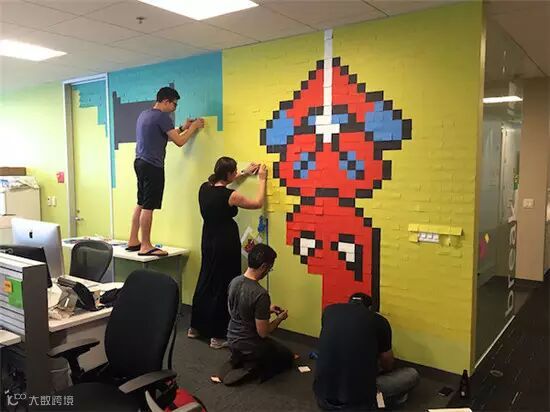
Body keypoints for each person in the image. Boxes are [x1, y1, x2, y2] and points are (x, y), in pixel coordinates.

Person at [188, 157, 267, 349]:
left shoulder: (204, 188)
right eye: (235, 171)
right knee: (224, 284)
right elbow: (257, 203)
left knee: (206, 279)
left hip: (208, 238)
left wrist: (244, 173)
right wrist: (262, 179)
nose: (237, 173)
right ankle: (217, 335)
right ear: (229, 174)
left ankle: (195, 327)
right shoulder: (231, 196)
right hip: (224, 242)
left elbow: (222, 184)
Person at [127, 86, 204, 256]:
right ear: (166, 101)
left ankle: (133, 240)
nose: (175, 108)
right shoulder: (162, 117)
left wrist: (183, 127)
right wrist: (194, 127)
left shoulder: (145, 114)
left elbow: (164, 135)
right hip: (153, 165)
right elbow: (179, 142)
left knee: (141, 202)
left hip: (140, 162)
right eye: (174, 104)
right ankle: (146, 245)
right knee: (149, 206)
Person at [314, 292, 419, 410]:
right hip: (358, 403)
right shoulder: (379, 320)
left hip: (322, 398)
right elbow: (387, 364)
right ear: (370, 308)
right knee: (412, 374)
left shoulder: (329, 311)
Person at [221, 243, 294, 384]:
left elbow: (237, 311)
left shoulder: (234, 282)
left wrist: (266, 309)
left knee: (272, 348)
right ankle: (253, 369)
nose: (268, 272)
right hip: (250, 344)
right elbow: (263, 333)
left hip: (231, 338)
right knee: (287, 356)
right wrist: (280, 319)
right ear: (263, 267)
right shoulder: (260, 294)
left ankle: (238, 359)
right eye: (270, 268)